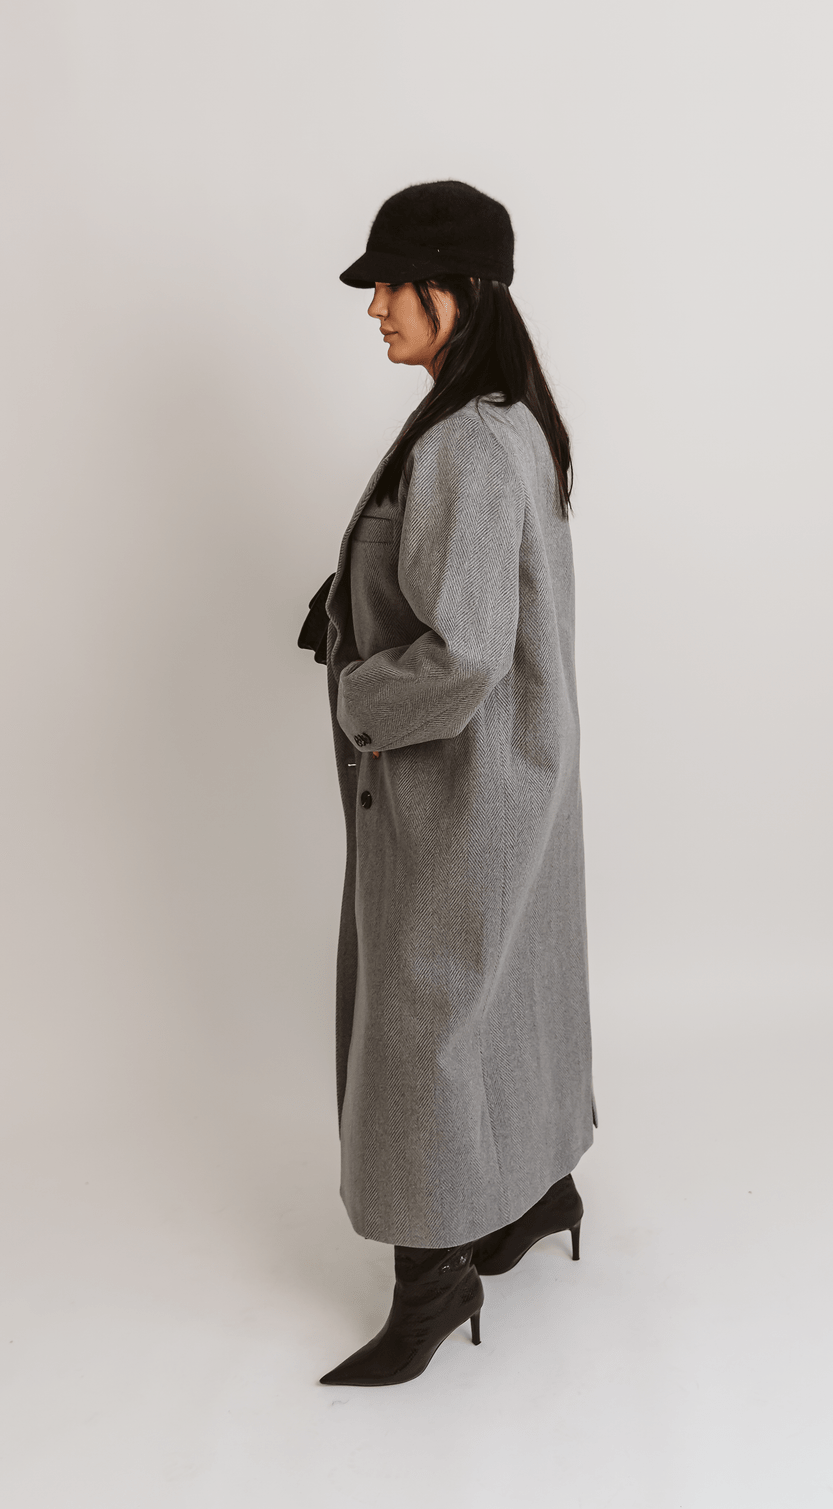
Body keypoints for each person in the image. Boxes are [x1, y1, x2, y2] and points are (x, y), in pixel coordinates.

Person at [298, 180, 595, 1387]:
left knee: (418, 1023)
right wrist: (345, 603)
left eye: (392, 284)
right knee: (508, 987)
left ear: (458, 293)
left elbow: (464, 652)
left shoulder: (464, 442)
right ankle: (536, 1191)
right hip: (518, 776)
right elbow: (475, 596)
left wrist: (360, 697)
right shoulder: (506, 421)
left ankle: (431, 1275)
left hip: (455, 788)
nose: (374, 306)